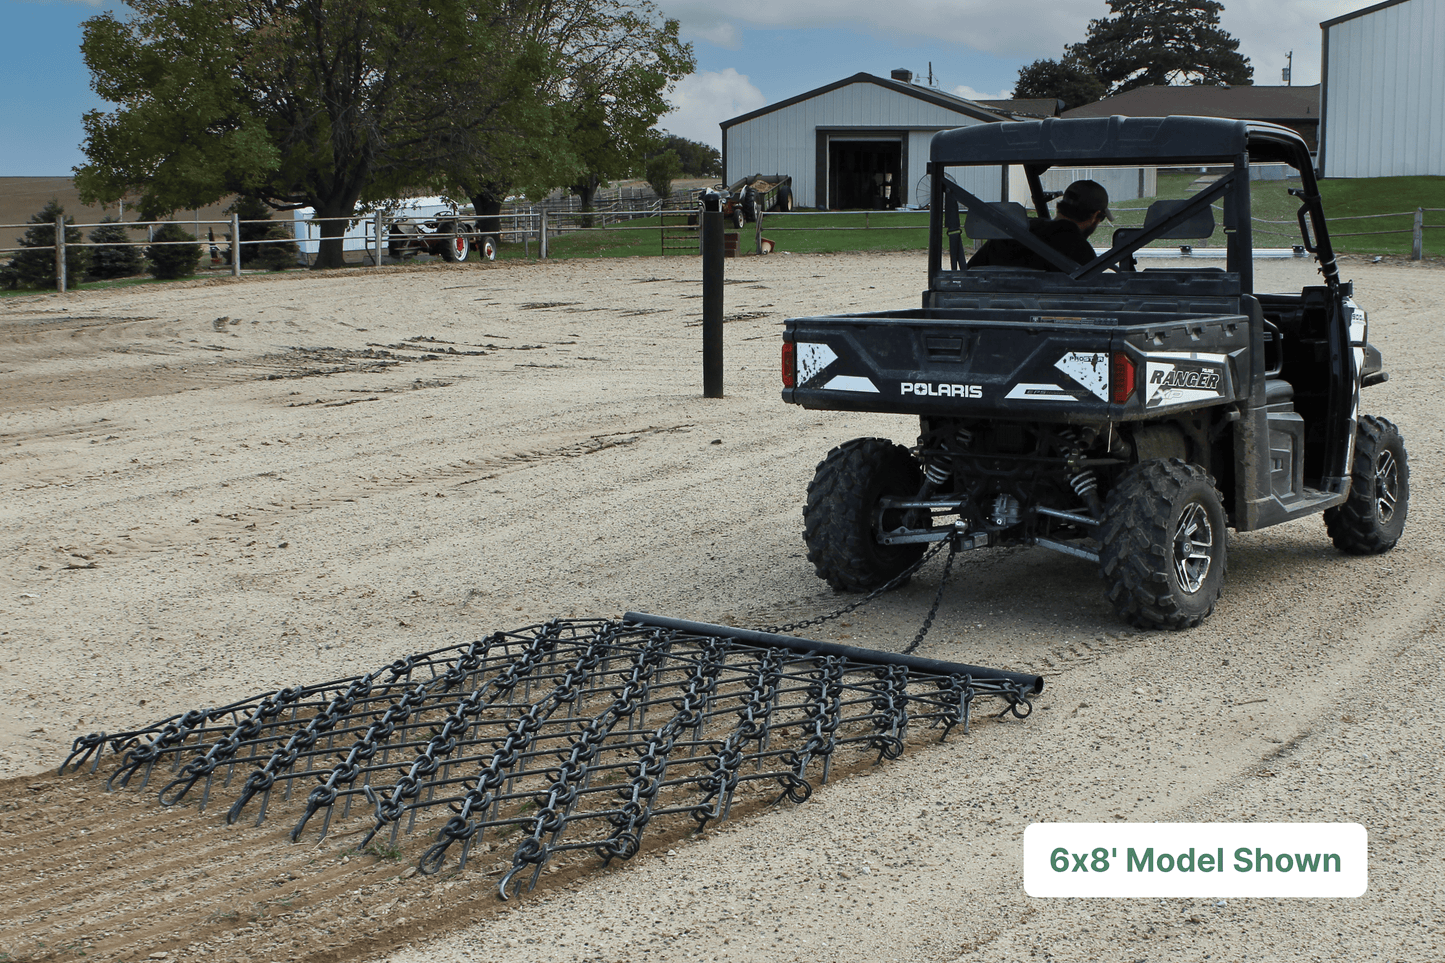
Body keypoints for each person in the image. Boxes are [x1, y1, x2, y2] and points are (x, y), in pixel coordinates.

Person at [967, 180, 1113, 271]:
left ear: (1058, 207)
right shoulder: (1083, 253)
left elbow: (970, 271)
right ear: (1095, 216)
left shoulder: (1012, 234)